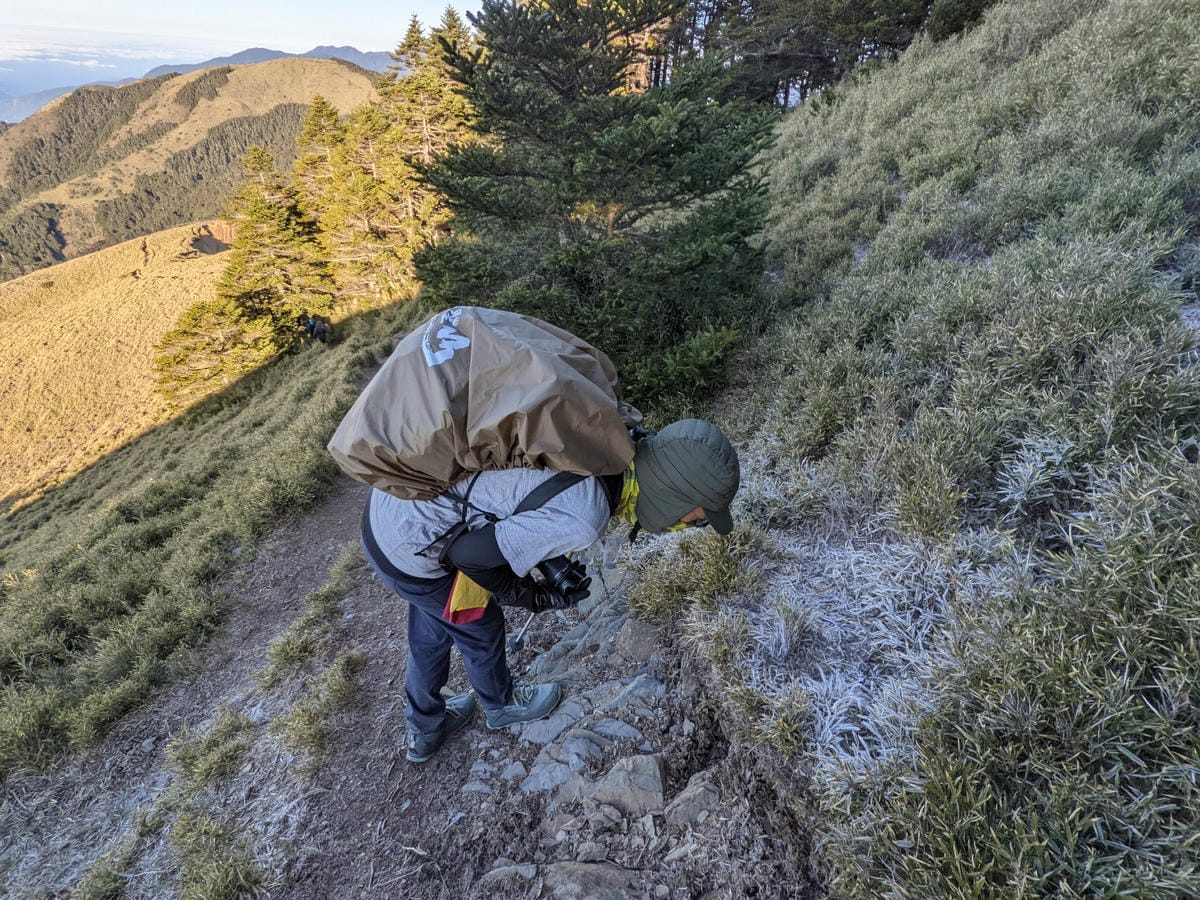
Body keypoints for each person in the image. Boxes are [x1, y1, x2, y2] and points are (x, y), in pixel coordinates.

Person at [360, 418, 740, 763]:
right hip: (411, 544)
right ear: (674, 497)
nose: (696, 526)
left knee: (433, 624)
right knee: (479, 623)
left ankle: (425, 728)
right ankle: (501, 705)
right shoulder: (585, 515)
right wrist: (530, 596)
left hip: (392, 503)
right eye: (698, 518)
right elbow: (467, 556)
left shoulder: (609, 435)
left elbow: (524, 496)